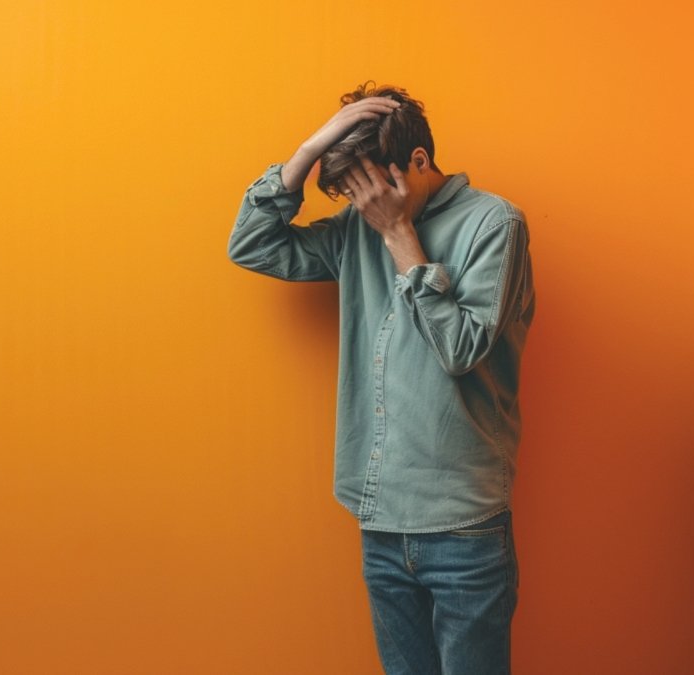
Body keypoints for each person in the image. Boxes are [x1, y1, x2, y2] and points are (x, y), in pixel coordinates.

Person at [227, 82, 535, 675]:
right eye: (351, 193)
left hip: (463, 523)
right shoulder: (355, 228)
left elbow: (461, 348)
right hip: (380, 515)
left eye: (373, 189)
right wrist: (308, 150)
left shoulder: (495, 223)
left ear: (418, 162)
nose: (364, 205)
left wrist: (399, 234)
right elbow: (252, 244)